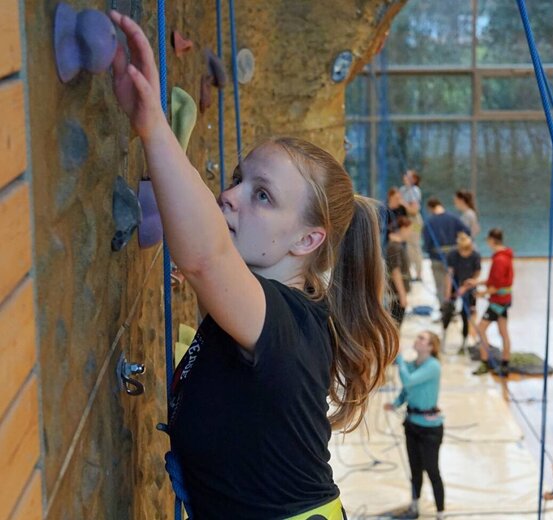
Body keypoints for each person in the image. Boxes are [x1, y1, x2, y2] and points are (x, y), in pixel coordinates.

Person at [108, 12, 398, 519]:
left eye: (261, 196)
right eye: (240, 178)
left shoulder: (287, 325)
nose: (229, 195)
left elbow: (203, 259)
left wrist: (155, 129)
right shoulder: (273, 312)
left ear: (308, 240)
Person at [384, 331, 445, 520]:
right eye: (417, 336)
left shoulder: (433, 366)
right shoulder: (413, 364)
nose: (417, 339)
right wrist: (395, 404)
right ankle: (414, 506)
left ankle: (441, 513)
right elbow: (407, 389)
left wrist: (400, 359)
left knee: (432, 470)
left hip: (430, 430)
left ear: (430, 347)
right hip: (412, 425)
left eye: (422, 338)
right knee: (415, 469)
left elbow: (409, 380)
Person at [473, 228, 513, 377]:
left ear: (491, 240)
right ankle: (505, 363)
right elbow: (495, 281)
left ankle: (485, 362)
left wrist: (480, 293)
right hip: (504, 300)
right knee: (503, 332)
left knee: (480, 329)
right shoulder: (505, 256)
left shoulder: (499, 260)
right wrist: (477, 282)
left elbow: (496, 287)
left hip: (498, 302)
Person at [423, 198, 470, 316]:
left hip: (436, 257)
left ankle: (445, 310)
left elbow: (427, 242)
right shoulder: (454, 218)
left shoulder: (429, 221)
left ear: (430, 208)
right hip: (453, 258)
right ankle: (452, 308)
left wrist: (430, 251)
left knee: (439, 286)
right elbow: (467, 231)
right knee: (452, 284)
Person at [443, 233, 481, 352]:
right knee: (447, 312)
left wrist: (466, 287)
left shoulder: (475, 255)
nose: (466, 253)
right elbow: (449, 273)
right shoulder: (452, 255)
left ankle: (464, 342)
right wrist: (448, 292)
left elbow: (477, 273)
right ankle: (443, 338)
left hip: (469, 286)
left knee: (466, 315)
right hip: (455, 284)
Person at [386, 216, 413, 326]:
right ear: (402, 229)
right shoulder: (394, 247)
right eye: (409, 230)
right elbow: (395, 272)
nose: (410, 233)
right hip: (396, 294)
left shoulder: (397, 246)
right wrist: (402, 294)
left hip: (398, 292)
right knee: (396, 324)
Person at [399, 170, 424, 281]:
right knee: (407, 247)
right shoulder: (402, 189)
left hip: (415, 222)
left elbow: (414, 210)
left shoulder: (415, 191)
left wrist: (403, 203)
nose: (405, 176)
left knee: (414, 246)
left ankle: (418, 274)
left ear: (414, 179)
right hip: (405, 221)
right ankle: (408, 273)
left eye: (408, 175)